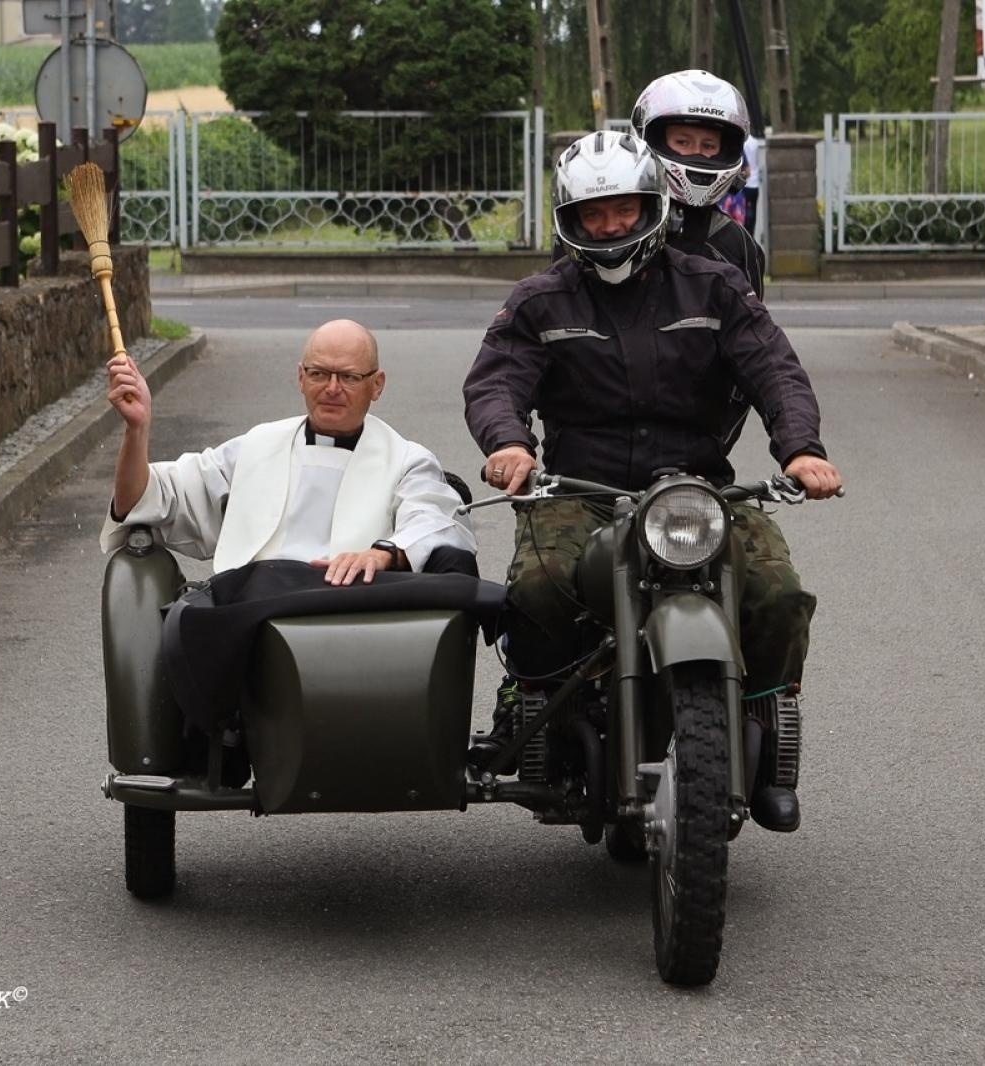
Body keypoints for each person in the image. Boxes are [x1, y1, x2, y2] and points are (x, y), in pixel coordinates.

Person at [462, 131, 842, 832]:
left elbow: (773, 368)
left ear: (653, 208)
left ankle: (762, 724)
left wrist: (801, 451)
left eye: (625, 210)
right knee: (539, 591)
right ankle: (539, 700)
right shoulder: (540, 301)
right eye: (593, 214)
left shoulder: (714, 285)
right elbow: (496, 382)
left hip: (698, 489)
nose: (610, 226)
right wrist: (509, 444)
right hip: (580, 490)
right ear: (570, 222)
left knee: (777, 596)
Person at [100, 318, 477, 579]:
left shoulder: (407, 460)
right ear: (300, 377)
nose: (331, 388)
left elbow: (435, 521)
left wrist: (383, 553)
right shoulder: (254, 448)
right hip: (256, 607)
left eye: (348, 377)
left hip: (359, 614)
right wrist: (138, 428)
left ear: (376, 385)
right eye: (318, 374)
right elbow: (143, 500)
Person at [631, 68, 766, 299]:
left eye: (709, 146)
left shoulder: (738, 244)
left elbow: (753, 329)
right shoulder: (616, 225)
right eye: (682, 142)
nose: (696, 153)